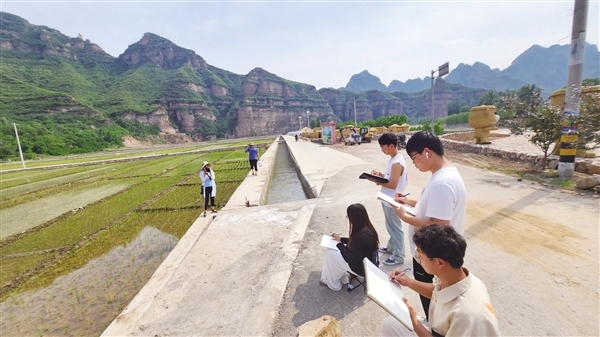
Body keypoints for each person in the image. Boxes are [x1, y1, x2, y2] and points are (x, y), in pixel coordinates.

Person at [392, 131, 467, 323]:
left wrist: (404, 216)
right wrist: (409, 201)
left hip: (432, 254)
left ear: (427, 152)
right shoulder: (445, 174)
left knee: (433, 298)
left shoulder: (441, 182)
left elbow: (438, 224)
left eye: (414, 157)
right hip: (439, 253)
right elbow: (435, 206)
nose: (414, 164)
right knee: (437, 295)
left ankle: (432, 326)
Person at [381, 224, 500, 337]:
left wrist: (415, 323)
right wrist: (408, 282)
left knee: (397, 323)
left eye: (419, 255)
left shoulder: (465, 315)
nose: (417, 259)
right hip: (439, 331)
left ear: (439, 262)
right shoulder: (457, 277)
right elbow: (438, 292)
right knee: (390, 324)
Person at [368, 132, 408, 266]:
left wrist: (376, 181)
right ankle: (392, 248)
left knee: (395, 228)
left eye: (383, 146)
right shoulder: (393, 158)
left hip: (392, 200)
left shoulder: (397, 162)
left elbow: (393, 184)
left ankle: (399, 256)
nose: (382, 149)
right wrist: (380, 175)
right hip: (387, 198)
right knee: (390, 226)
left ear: (392, 146)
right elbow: (389, 178)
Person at [320, 203, 379, 291]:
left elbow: (349, 258)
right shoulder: (368, 229)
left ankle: (334, 283)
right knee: (336, 251)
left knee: (330, 253)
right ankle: (341, 278)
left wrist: (339, 244)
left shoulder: (360, 236)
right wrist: (341, 239)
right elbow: (355, 243)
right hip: (370, 264)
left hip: (360, 268)